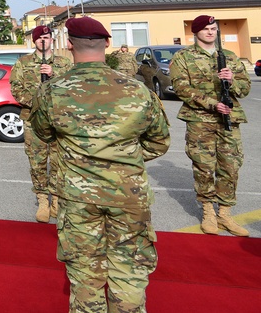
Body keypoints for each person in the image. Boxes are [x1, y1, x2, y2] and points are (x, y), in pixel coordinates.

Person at [30, 16, 170, 313]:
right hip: (128, 195)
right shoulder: (138, 90)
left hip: (78, 196)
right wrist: (122, 158)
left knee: (85, 274)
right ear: (107, 43)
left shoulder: (52, 91)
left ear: (68, 45)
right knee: (129, 271)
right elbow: (159, 141)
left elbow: (42, 133)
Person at [169, 15, 251, 236]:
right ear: (195, 32)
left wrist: (232, 80)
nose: (210, 32)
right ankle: (208, 212)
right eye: (205, 29)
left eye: (213, 28)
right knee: (204, 166)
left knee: (231, 166)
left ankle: (224, 213)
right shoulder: (183, 57)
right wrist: (212, 104)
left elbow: (245, 89)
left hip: (229, 120)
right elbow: (181, 89)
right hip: (200, 120)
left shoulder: (230, 57)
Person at [9, 25, 73, 222]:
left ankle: (56, 200)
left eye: (46, 37)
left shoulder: (64, 63)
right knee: (37, 162)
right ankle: (43, 200)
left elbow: (73, 88)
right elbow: (16, 89)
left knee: (58, 162)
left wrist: (55, 75)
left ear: (51, 39)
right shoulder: (23, 63)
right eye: (39, 38)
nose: (43, 40)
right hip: (33, 120)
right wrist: (37, 102)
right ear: (34, 41)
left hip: (57, 121)